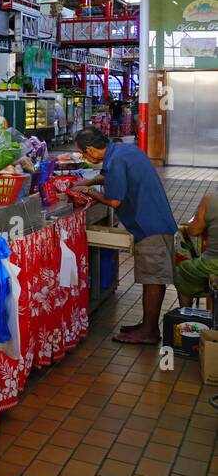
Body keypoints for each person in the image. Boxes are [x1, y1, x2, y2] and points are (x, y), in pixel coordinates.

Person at [71, 128, 177, 345]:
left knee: (153, 279)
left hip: (150, 227)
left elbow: (114, 201)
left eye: (83, 154)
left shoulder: (116, 161)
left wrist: (88, 192)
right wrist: (89, 182)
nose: (84, 157)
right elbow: (111, 174)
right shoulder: (124, 151)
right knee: (152, 278)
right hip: (155, 221)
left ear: (91, 150)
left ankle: (149, 332)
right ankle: (148, 325)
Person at [176, 194, 218, 309]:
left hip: (213, 263)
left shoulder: (210, 199)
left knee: (181, 270)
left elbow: (193, 230)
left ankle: (186, 317)